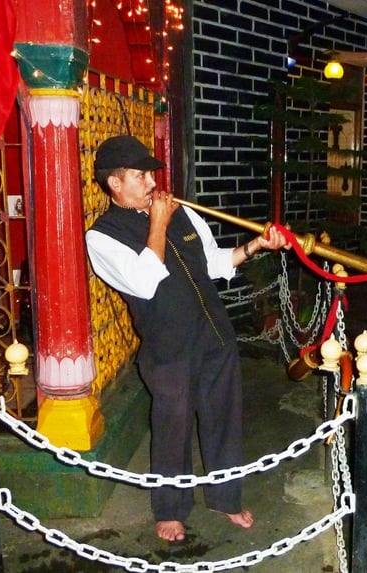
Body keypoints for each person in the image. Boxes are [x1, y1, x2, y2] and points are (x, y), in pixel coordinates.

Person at [85, 135, 289, 542]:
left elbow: (213, 262)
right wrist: (158, 222)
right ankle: (171, 509)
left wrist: (254, 246)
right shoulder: (101, 236)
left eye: (150, 173)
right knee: (172, 429)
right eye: (139, 175)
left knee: (223, 419)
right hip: (167, 348)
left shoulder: (185, 215)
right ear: (114, 183)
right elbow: (145, 281)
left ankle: (226, 498)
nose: (150, 182)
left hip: (214, 335)